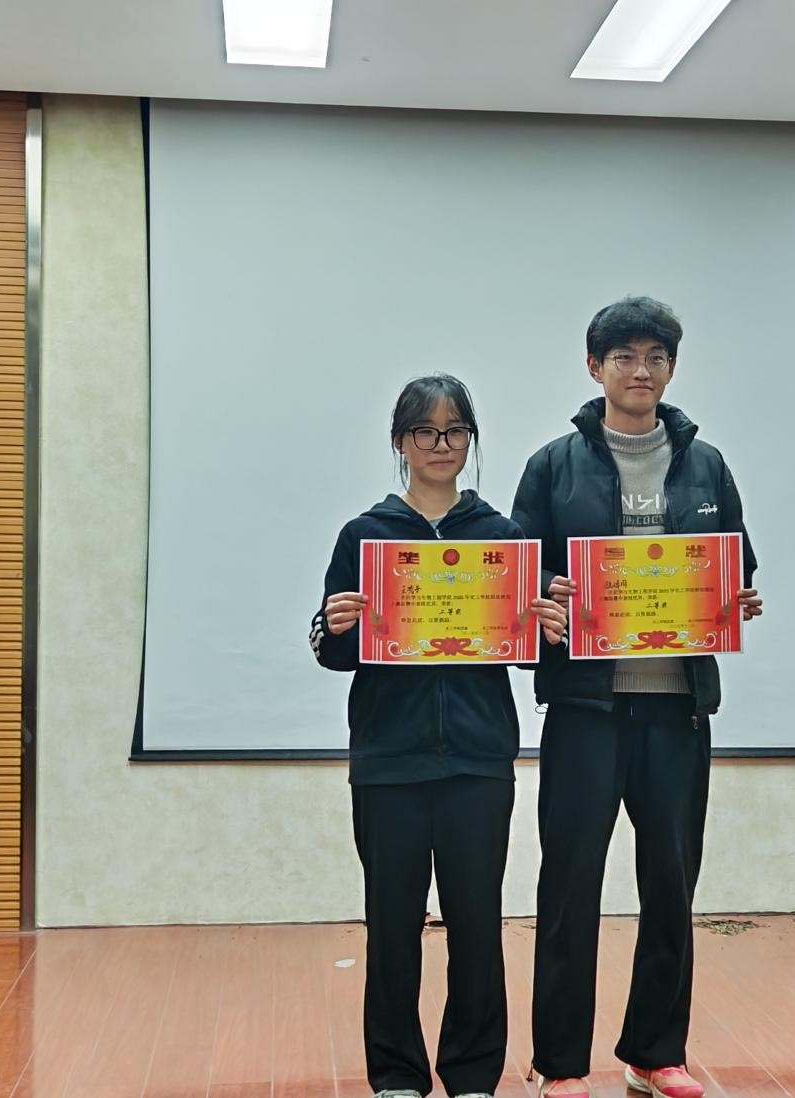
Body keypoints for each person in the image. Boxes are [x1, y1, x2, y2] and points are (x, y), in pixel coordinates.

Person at [511, 297, 761, 1098]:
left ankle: (656, 1053)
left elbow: (737, 565)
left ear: (672, 368)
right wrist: (545, 601)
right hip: (585, 711)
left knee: (671, 885)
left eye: (655, 357)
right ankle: (560, 1065)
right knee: (569, 886)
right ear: (595, 367)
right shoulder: (553, 466)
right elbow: (517, 582)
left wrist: (737, 598)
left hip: (675, 709)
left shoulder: (707, 465)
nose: (640, 371)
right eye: (623, 357)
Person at [312, 374, 567, 1098]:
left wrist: (548, 629)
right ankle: (396, 1073)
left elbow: (525, 652)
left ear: (470, 440)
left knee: (477, 924)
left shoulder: (503, 538)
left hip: (479, 760)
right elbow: (334, 650)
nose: (441, 444)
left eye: (456, 431)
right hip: (388, 759)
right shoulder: (364, 536)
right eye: (425, 431)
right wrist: (334, 624)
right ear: (400, 441)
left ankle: (473, 1072)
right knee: (392, 926)